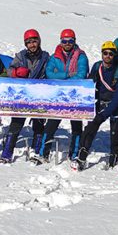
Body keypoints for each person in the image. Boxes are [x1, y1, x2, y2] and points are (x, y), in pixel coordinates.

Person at [75, 40, 118, 170]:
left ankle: (114, 154)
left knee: (115, 133)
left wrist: (104, 114)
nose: (108, 56)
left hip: (116, 106)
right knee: (90, 129)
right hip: (100, 103)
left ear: (115, 55)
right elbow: (89, 84)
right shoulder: (97, 67)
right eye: (105, 53)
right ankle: (82, 154)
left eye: (111, 54)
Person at [37, 29, 89, 162]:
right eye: (64, 41)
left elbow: (81, 75)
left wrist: (60, 79)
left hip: (75, 96)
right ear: (60, 42)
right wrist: (66, 75)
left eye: (70, 41)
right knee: (51, 125)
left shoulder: (81, 56)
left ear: (74, 41)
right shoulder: (55, 57)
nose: (67, 43)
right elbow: (49, 73)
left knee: (76, 125)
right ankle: (43, 153)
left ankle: (74, 153)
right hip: (59, 97)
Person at [0, 28, 50, 163]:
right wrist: (16, 72)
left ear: (39, 42)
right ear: (25, 44)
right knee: (16, 123)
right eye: (29, 42)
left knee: (39, 124)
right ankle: (7, 151)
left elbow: (50, 72)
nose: (32, 45)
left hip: (39, 96)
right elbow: (9, 70)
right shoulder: (20, 56)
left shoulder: (45, 57)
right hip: (22, 96)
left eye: (34, 41)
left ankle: (36, 150)